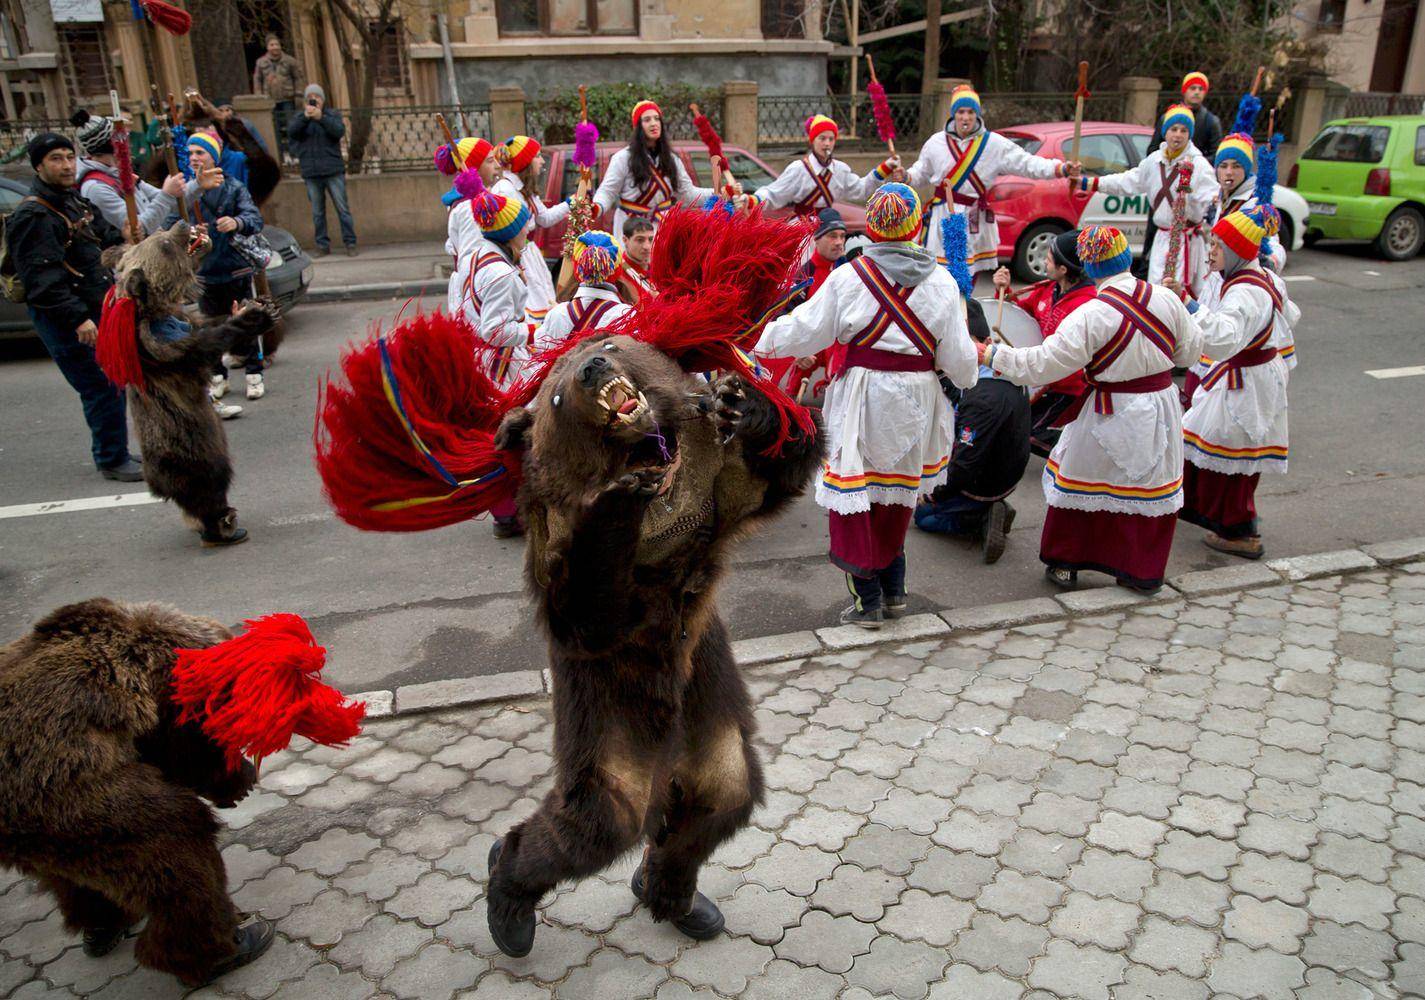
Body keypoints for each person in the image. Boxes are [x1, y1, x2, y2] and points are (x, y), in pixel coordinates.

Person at [755, 183, 979, 628]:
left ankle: (868, 602)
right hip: (917, 398)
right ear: (916, 225)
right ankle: (894, 592)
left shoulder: (849, 277)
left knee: (854, 498)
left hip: (863, 397)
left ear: (872, 228)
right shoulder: (941, 283)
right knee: (897, 495)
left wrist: (759, 339)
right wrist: (970, 373)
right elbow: (960, 363)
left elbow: (805, 330)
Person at [976, 225, 1234, 594]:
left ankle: (1067, 563)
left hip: (1109, 407)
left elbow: (1045, 364)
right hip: (1159, 405)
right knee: (1147, 486)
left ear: (1090, 267)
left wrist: (991, 354)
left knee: (1083, 480)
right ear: (1126, 258)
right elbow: (1190, 353)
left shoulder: (1090, 314)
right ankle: (1141, 572)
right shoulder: (1165, 299)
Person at [10, 133, 139, 481]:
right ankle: (112, 458)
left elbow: (102, 241)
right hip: (68, 318)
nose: (66, 165)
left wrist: (125, 238)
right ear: (39, 165)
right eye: (56, 159)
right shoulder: (35, 215)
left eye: (69, 157)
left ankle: (116, 452)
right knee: (100, 386)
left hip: (94, 308)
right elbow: (43, 281)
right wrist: (78, 319)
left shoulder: (74, 201)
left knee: (112, 380)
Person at [1172, 207, 1296, 559]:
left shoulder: (1245, 292)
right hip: (1250, 375)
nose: (1210, 250)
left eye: (1217, 244)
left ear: (1238, 250)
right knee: (1214, 444)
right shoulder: (1262, 279)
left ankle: (1240, 530)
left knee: (1233, 451)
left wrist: (1189, 305)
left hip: (1245, 381)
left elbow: (1225, 337)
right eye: (1211, 242)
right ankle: (1212, 515)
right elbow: (1289, 316)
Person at [906, 85, 1079, 276]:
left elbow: (1026, 163)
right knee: (940, 273)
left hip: (974, 217)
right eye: (961, 112)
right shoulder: (935, 143)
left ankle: (967, 305)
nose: (966, 117)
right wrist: (907, 177)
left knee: (970, 272)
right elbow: (921, 173)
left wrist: (1060, 168)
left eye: (971, 112)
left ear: (977, 114)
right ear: (954, 114)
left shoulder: (993, 143)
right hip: (943, 216)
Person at [914, 297, 1031, 563]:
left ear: (986, 343)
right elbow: (964, 395)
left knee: (923, 517)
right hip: (1008, 468)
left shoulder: (983, 400)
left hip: (986, 481)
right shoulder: (1005, 363)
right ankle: (988, 508)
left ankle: (981, 517)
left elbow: (965, 466)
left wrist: (934, 493)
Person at [459, 172, 532, 538]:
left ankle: (506, 510)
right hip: (502, 366)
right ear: (509, 234)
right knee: (510, 435)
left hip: (484, 362)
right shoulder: (502, 274)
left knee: (497, 434)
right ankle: (510, 511)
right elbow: (496, 331)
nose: (527, 233)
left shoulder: (476, 258)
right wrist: (532, 330)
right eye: (523, 228)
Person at [1080, 104, 1217, 297]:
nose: (1177, 135)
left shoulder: (1199, 165)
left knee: (1181, 295)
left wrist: (1199, 204)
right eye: (1173, 129)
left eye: (1183, 130)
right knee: (1157, 293)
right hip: (1161, 239)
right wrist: (1091, 183)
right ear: (1165, 132)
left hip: (1188, 242)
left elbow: (1212, 202)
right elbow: (1126, 181)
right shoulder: (1153, 162)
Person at [178, 129, 268, 404]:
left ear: (213, 156)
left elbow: (254, 217)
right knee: (209, 328)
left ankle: (254, 374)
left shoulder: (232, 187)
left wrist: (235, 222)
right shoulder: (185, 192)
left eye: (200, 152)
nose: (194, 157)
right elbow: (169, 222)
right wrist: (188, 231)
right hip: (204, 272)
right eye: (191, 152)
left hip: (235, 267)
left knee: (244, 321)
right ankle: (218, 377)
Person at [991, 229, 1097, 455]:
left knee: (1027, 435)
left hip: (1068, 389)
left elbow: (1076, 363)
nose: (1043, 263)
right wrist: (1004, 289)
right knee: (1009, 426)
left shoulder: (1087, 306)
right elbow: (1021, 316)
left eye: (1048, 260)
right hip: (1042, 377)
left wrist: (1039, 381)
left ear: (1063, 269)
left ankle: (1080, 453)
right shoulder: (1050, 288)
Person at [1139, 72, 1225, 275]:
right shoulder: (1166, 119)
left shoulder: (1211, 122)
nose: (1196, 93)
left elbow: (1216, 156)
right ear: (1184, 91)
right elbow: (1152, 151)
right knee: (1155, 251)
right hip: (1166, 195)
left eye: (1200, 89)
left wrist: (1191, 168)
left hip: (1190, 194)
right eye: (1192, 88)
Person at [593, 100, 714, 238]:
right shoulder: (623, 158)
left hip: (663, 228)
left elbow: (688, 194)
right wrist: (597, 206)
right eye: (647, 119)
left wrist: (719, 193)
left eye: (657, 119)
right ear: (638, 126)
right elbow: (607, 192)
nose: (653, 123)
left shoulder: (672, 159)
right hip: (631, 229)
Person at [71, 109, 189, 236]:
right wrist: (166, 195)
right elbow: (137, 229)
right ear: (113, 143)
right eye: (122, 135)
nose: (127, 139)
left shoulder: (118, 173)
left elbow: (174, 201)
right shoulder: (96, 188)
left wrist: (198, 183)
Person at [748, 115, 893, 216]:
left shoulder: (840, 170)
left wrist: (884, 169)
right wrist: (754, 200)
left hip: (828, 228)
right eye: (822, 138)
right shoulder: (798, 168)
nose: (827, 143)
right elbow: (775, 193)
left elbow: (861, 189)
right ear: (812, 141)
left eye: (831, 139)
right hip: (802, 229)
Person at [492, 135, 565, 328]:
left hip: (530, 254)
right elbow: (505, 232)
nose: (541, 161)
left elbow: (545, 218)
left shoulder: (525, 190)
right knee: (530, 306)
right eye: (537, 156)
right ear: (525, 162)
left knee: (543, 301)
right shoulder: (505, 191)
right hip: (518, 256)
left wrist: (570, 204)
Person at [286, 84, 356, 258]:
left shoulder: (331, 115)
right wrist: (305, 117)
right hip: (312, 172)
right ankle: (322, 245)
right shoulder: (299, 118)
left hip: (333, 170)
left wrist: (321, 118)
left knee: (343, 209)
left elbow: (338, 131)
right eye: (310, 97)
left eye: (317, 97)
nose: (314, 100)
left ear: (323, 100)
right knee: (317, 213)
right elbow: (292, 132)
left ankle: (350, 242)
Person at [535, 230, 632, 351]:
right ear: (616, 271)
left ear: (577, 269)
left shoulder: (557, 314)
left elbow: (540, 352)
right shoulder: (627, 316)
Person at [252, 34, 304, 157]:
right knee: (274, 128)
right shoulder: (261, 62)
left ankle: (294, 154)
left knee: (291, 126)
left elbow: (298, 78)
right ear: (267, 47)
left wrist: (299, 95)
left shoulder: (290, 61)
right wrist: (259, 96)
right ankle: (279, 154)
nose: (275, 47)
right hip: (270, 101)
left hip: (288, 98)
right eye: (272, 45)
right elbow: (257, 80)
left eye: (277, 44)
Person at [615, 215, 657, 304]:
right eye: (640, 240)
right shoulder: (617, 273)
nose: (647, 246)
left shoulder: (658, 269)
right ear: (625, 240)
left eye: (650, 239)